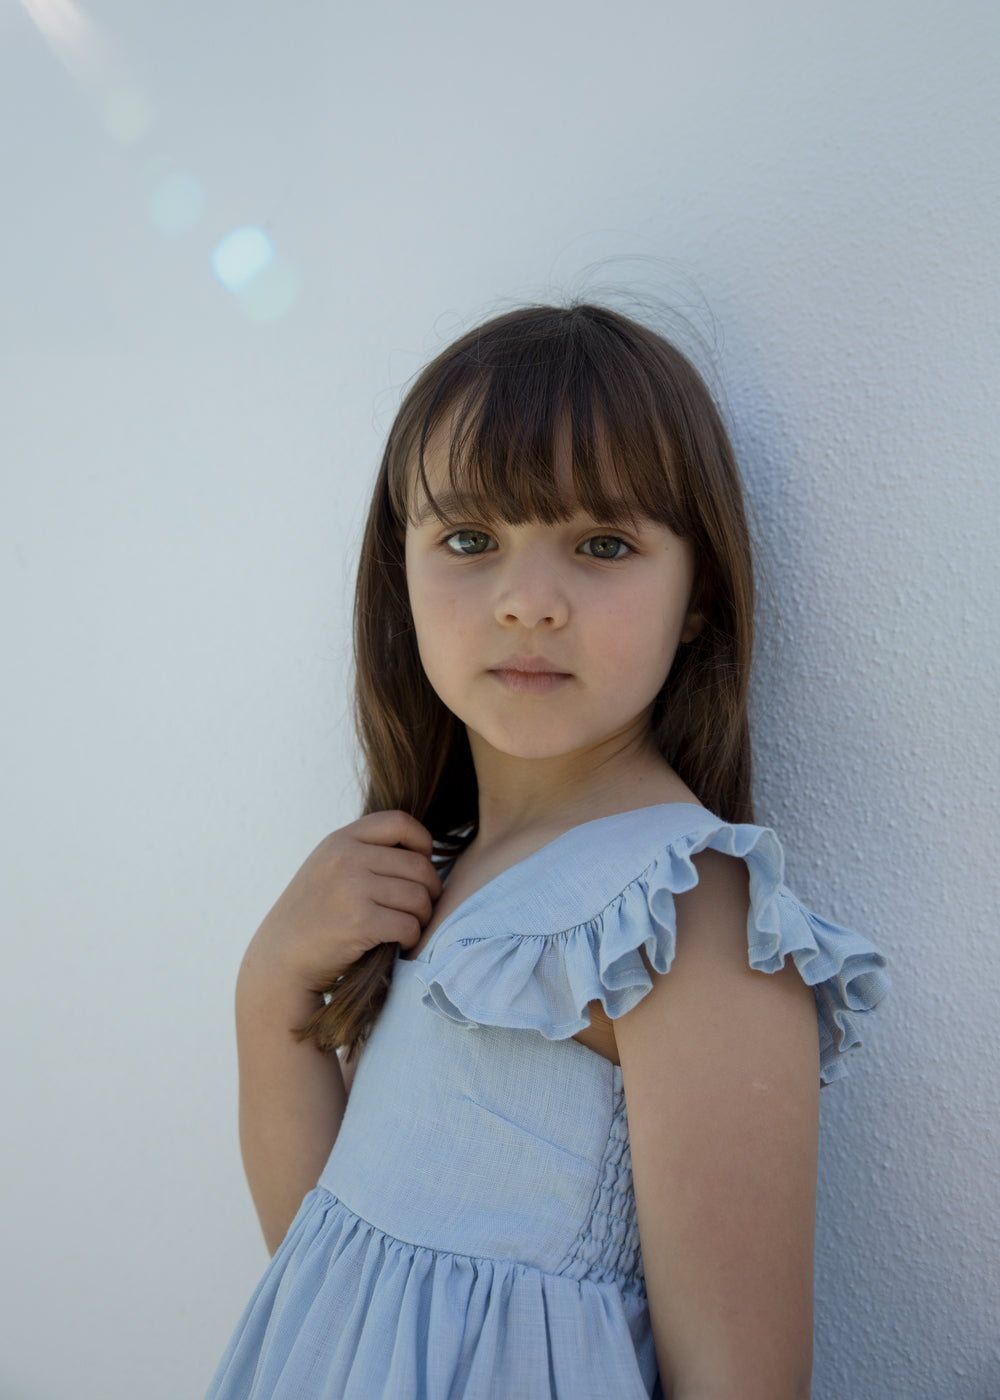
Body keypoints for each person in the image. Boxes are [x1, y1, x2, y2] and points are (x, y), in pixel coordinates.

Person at [206, 303, 889, 1400]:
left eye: (602, 544)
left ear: (698, 593)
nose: (528, 602)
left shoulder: (684, 916)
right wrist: (268, 991)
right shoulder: (434, 871)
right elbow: (329, 1279)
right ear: (403, 569)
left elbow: (741, 1380)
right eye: (469, 541)